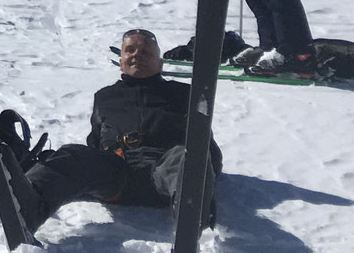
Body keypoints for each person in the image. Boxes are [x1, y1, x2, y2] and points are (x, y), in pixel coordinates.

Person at [20, 28, 218, 231]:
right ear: (121, 62)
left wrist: (202, 169)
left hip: (166, 171)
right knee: (72, 154)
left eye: (146, 52)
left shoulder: (184, 94)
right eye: (130, 51)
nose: (136, 55)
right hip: (119, 173)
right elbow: (95, 142)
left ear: (160, 64)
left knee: (187, 156)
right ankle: (28, 202)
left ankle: (191, 209)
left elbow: (208, 149)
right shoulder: (105, 97)